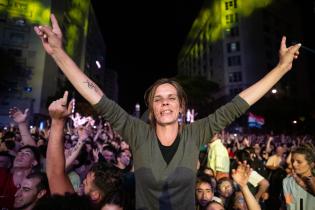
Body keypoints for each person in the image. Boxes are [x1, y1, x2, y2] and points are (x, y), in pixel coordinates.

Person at [35, 14, 301, 210]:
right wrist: (58, 53)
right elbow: (95, 95)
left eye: (171, 97)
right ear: (152, 108)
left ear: (180, 106)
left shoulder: (196, 132)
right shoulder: (137, 132)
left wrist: (281, 68)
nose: (165, 102)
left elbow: (241, 102)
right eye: (158, 99)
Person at [282, 145, 315, 210]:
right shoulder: (287, 181)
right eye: (292, 161)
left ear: (311, 164)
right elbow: (289, 203)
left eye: (299, 162)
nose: (294, 164)